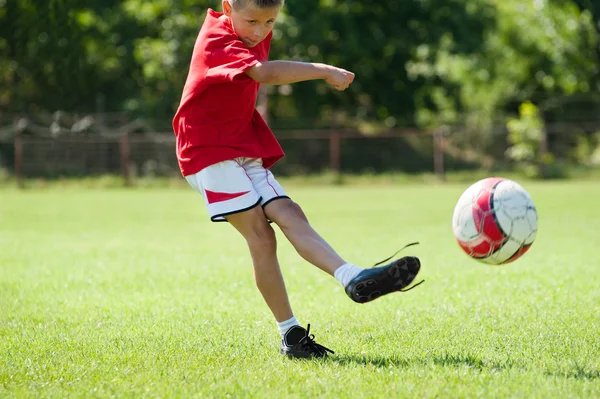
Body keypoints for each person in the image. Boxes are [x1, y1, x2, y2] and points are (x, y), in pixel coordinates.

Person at [172, 0, 423, 359]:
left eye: (270, 21)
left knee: (290, 212)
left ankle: (352, 277)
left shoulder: (250, 29)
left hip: (241, 143)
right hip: (207, 150)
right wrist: (323, 70)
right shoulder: (217, 34)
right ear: (227, 6)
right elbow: (263, 73)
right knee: (261, 236)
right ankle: (290, 334)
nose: (260, 30)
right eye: (252, 21)